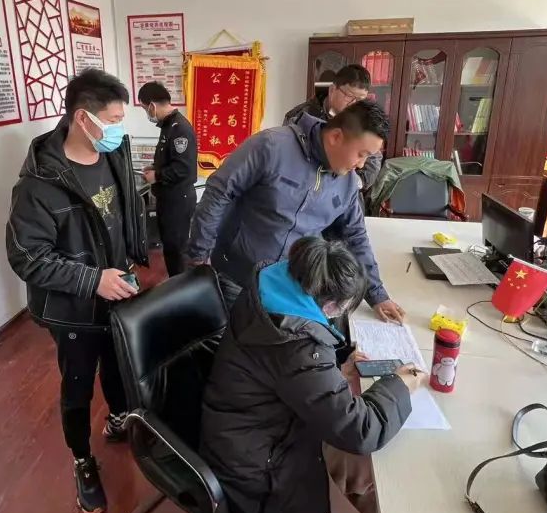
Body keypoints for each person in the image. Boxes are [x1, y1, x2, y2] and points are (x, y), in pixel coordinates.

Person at [201, 236, 427, 513]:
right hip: (260, 467)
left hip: (253, 431)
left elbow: (282, 374)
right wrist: (399, 386)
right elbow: (360, 430)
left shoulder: (271, 287)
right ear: (332, 305)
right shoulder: (297, 344)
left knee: (372, 470)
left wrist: (335, 370)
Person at [6, 69, 148, 513]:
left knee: (119, 365)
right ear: (83, 119)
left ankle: (119, 419)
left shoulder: (113, 152)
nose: (120, 128)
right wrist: (92, 280)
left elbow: (123, 212)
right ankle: (82, 459)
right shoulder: (38, 185)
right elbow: (28, 258)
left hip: (118, 289)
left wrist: (130, 262)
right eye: (113, 119)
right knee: (78, 384)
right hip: (74, 307)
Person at [187, 100, 405, 323]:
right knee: (228, 337)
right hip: (235, 277)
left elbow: (355, 236)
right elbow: (219, 193)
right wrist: (199, 255)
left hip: (289, 289)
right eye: (361, 154)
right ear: (336, 137)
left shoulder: (347, 183)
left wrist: (378, 296)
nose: (361, 165)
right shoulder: (271, 146)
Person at [283, 64, 381, 190]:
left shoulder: (363, 120)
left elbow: (373, 157)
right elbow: (287, 157)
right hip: (305, 187)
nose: (353, 104)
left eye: (360, 100)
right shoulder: (300, 116)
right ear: (332, 90)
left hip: (343, 191)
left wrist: (357, 182)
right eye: (349, 96)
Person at [138, 81, 197, 277]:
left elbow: (184, 169)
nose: (147, 113)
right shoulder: (169, 126)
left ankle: (180, 286)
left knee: (176, 249)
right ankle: (175, 282)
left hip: (178, 200)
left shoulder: (180, 129)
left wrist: (157, 175)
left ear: (152, 106)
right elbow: (172, 160)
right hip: (169, 198)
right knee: (170, 246)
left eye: (145, 109)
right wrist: (155, 168)